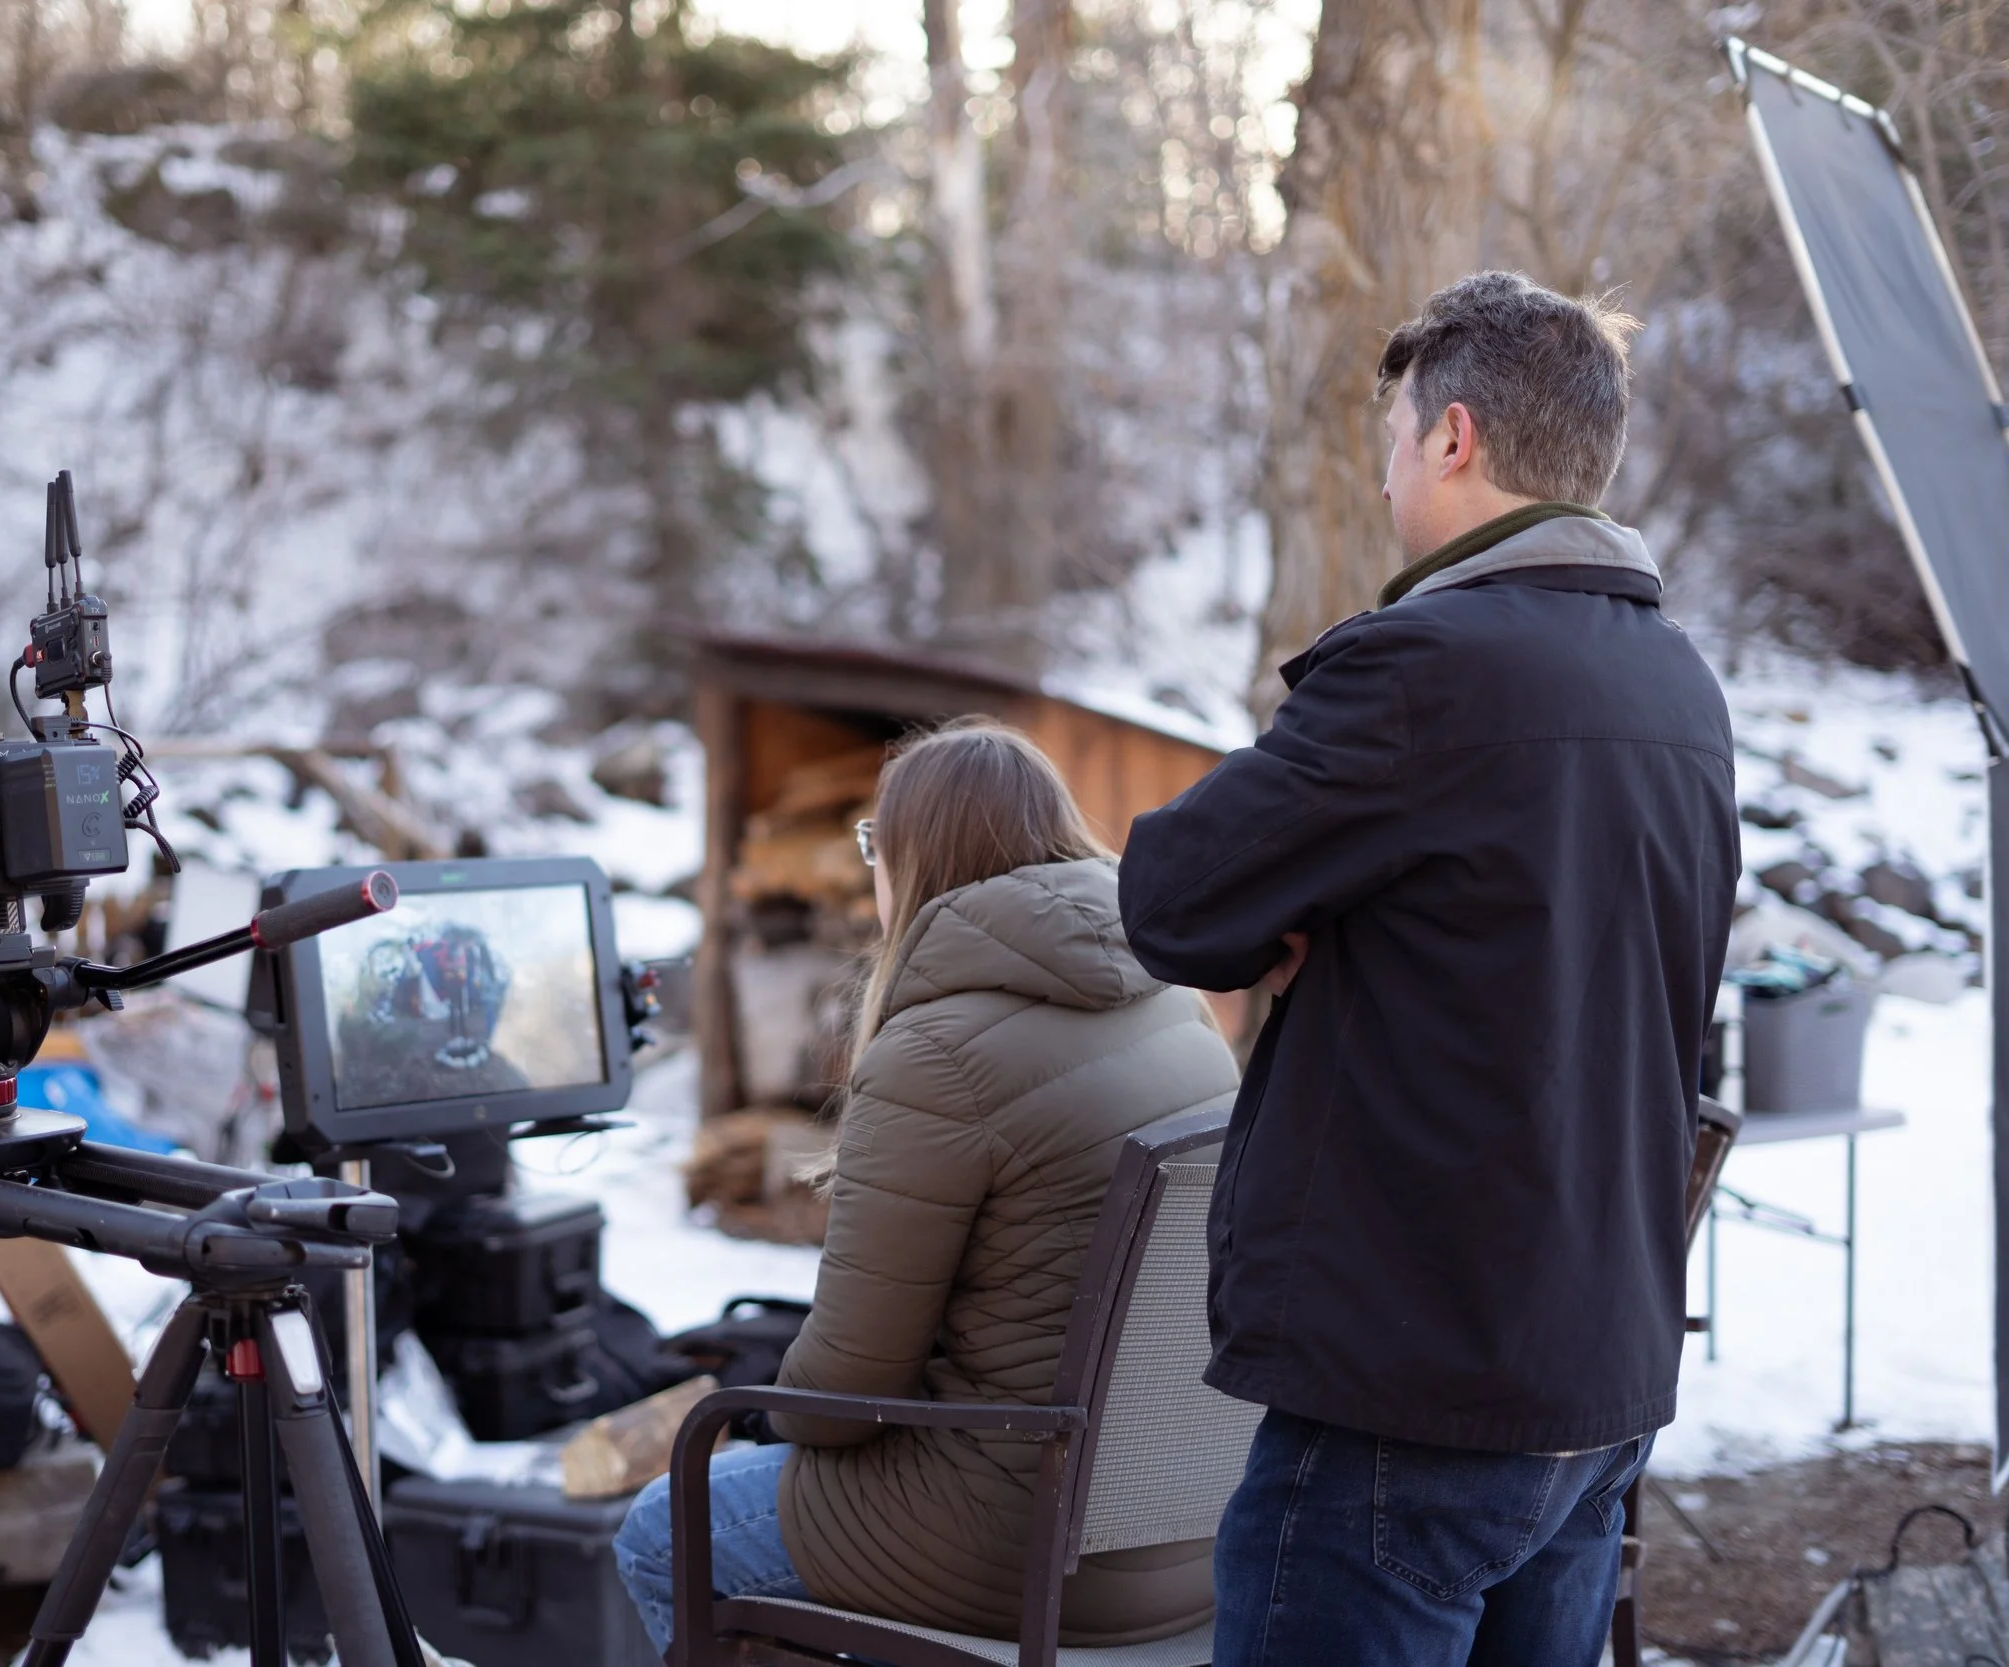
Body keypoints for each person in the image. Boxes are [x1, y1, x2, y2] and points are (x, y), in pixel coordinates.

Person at [1117, 271, 1739, 1666]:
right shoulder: (1678, 687)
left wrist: (1298, 925)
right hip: (1598, 1383)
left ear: (1452, 438)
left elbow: (1167, 895)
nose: (1387, 474)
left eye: (1395, 438)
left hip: (1414, 1385)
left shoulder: (1426, 668)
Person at [615, 720, 1240, 1656]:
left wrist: (767, 1411)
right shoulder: (1175, 1005)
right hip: (1182, 1531)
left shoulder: (938, 1056)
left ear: (910, 855)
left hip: (1011, 1542)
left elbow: (851, 1382)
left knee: (666, 1528)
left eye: (873, 839)